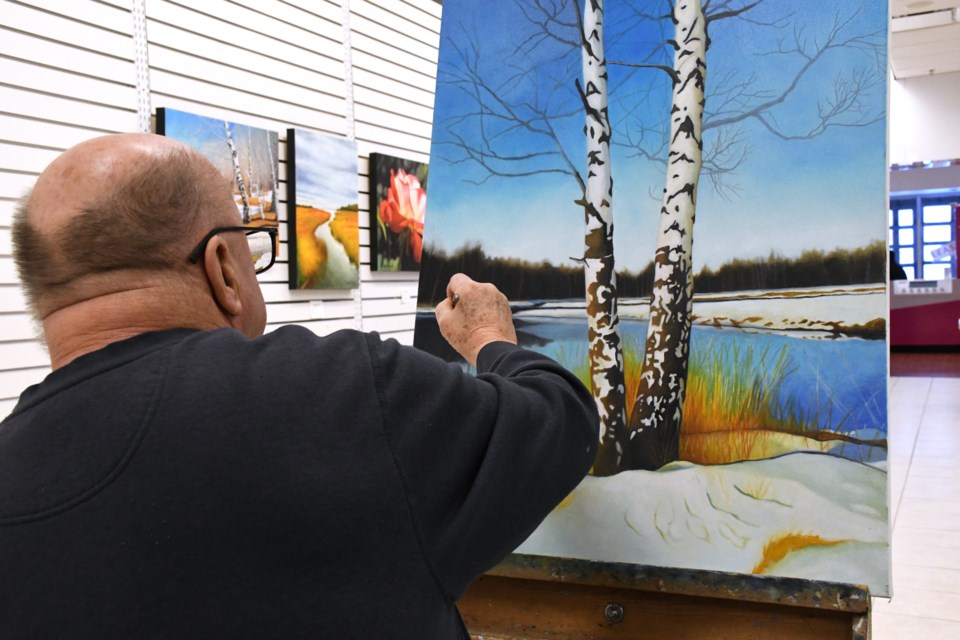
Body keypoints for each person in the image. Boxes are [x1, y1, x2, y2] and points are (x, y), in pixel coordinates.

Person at [0, 133, 599, 639]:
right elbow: (558, 423)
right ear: (224, 269)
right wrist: (490, 339)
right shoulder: (342, 393)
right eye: (252, 250)